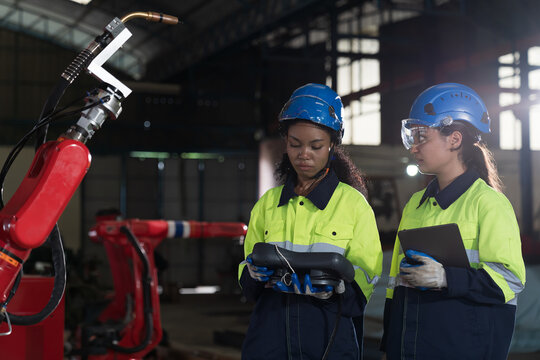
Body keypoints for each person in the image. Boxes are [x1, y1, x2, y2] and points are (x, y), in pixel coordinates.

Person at [380, 83, 526, 359]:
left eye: (422, 136)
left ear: (455, 139)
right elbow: (395, 285)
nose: (414, 147)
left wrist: (447, 277)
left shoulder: (488, 204)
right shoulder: (415, 204)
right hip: (410, 347)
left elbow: (510, 280)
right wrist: (390, 344)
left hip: (463, 348)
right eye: (413, 137)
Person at [238, 83, 383, 359]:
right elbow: (247, 270)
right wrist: (253, 274)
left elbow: (367, 277)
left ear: (332, 145)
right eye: (295, 144)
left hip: (328, 336)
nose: (304, 154)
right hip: (270, 337)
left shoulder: (353, 205)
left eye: (315, 146)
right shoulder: (268, 204)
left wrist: (338, 288)